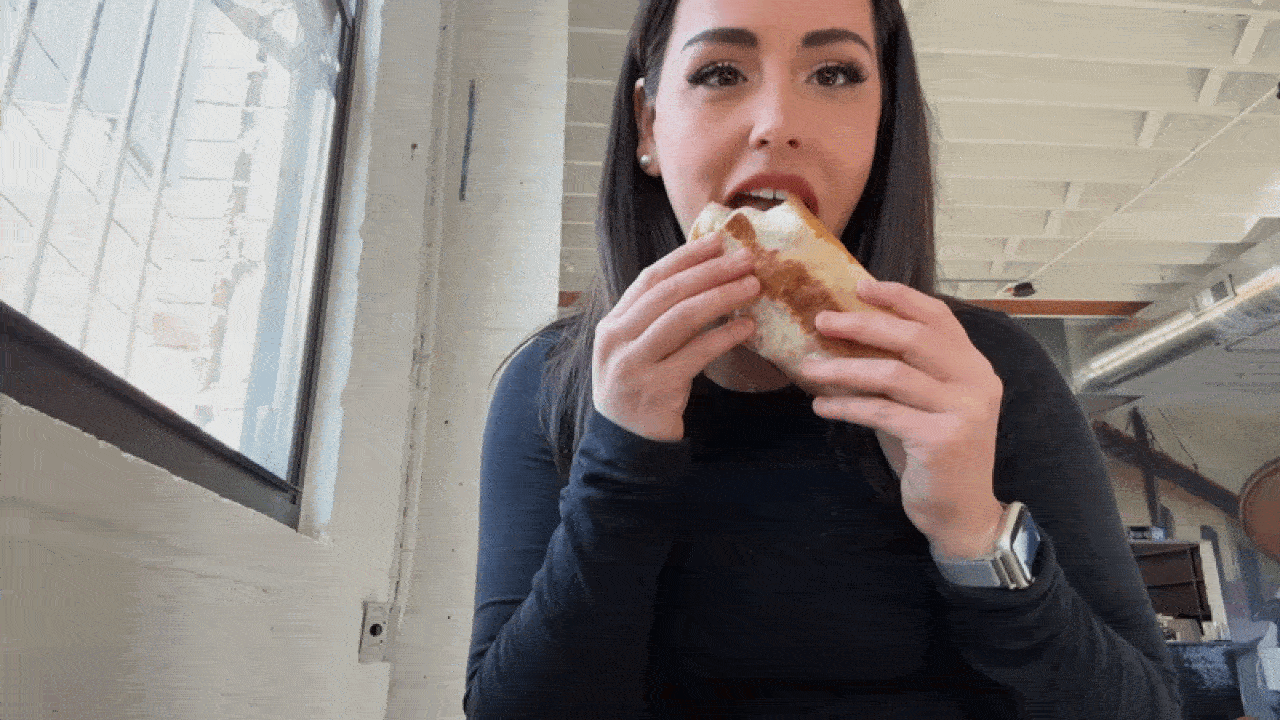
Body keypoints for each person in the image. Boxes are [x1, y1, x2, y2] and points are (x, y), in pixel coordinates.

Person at [464, 0, 1184, 717]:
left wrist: (973, 529)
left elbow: (1143, 707)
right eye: (720, 71)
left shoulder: (985, 371)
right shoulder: (554, 381)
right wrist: (622, 458)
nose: (778, 122)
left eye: (835, 74)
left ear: (883, 124)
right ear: (650, 127)